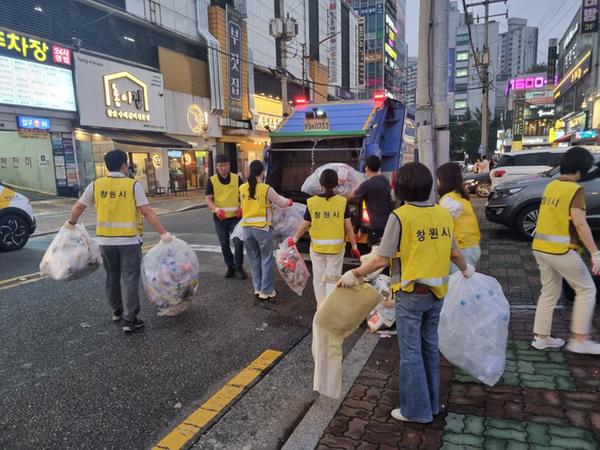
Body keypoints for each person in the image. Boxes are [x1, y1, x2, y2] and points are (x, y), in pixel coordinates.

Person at [338, 162, 472, 424]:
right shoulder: (443, 214)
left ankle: (415, 411)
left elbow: (381, 259)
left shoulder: (400, 216)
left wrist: (354, 273)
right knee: (430, 349)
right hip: (437, 293)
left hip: (411, 294)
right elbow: (455, 253)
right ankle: (431, 405)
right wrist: (467, 271)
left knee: (411, 354)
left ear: (400, 188)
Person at [68, 150, 173, 333]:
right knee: (130, 278)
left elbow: (78, 206)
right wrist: (164, 234)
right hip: (129, 241)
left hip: (106, 242)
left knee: (112, 276)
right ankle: (130, 320)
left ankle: (117, 311)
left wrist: (71, 224)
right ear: (124, 165)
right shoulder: (132, 185)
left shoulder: (96, 184)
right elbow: (147, 212)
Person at [531, 146, 600, 354]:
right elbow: (580, 224)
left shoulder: (552, 186)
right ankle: (580, 339)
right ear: (581, 169)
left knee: (549, 292)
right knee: (587, 290)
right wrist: (595, 253)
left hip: (540, 247)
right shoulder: (574, 190)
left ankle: (541, 338)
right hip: (561, 250)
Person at [291, 169, 361, 307]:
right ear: (336, 184)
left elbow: (304, 225)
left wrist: (294, 240)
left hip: (317, 249)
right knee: (332, 279)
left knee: (318, 279)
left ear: (320, 184)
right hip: (336, 249)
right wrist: (354, 247)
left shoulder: (311, 202)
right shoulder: (342, 201)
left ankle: (321, 308)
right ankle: (329, 309)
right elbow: (348, 227)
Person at [240, 160, 292, 300]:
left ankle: (257, 288)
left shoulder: (242, 188)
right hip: (262, 229)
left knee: (254, 259)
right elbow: (281, 202)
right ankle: (266, 291)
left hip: (247, 229)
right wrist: (289, 202)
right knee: (267, 259)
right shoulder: (266, 188)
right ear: (262, 172)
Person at [205, 154, 246, 279]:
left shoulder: (236, 178)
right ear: (217, 167)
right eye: (220, 166)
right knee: (224, 244)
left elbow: (244, 195)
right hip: (220, 219)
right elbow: (208, 199)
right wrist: (216, 209)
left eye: (225, 165)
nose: (223, 168)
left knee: (238, 242)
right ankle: (230, 267)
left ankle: (239, 267)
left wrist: (242, 207)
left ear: (229, 165)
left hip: (236, 218)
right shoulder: (212, 180)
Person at [437, 162, 481, 270]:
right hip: (473, 246)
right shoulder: (461, 197)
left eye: (438, 179)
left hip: (461, 250)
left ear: (444, 180)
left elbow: (442, 226)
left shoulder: (447, 200)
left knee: (457, 284)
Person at [347, 155, 393, 245]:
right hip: (387, 221)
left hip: (375, 225)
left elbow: (350, 196)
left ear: (366, 168)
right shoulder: (385, 180)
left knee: (375, 250)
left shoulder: (367, 184)